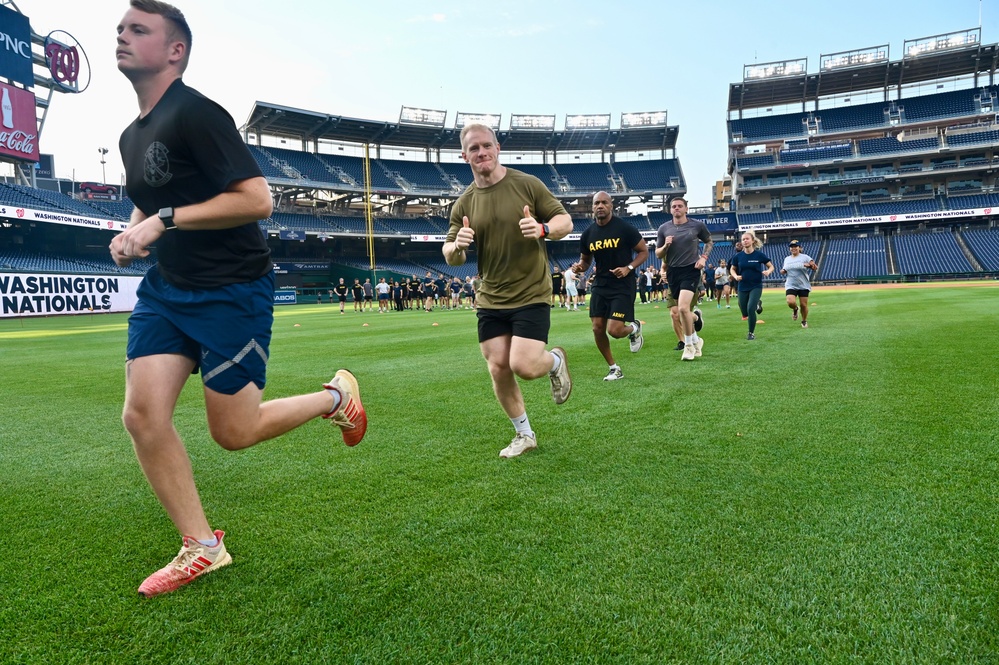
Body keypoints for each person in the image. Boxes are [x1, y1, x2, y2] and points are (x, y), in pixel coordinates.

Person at [109, 0, 366, 598]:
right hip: (166, 292)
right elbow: (151, 200)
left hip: (231, 290)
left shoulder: (198, 113)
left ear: (175, 50)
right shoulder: (130, 135)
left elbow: (256, 199)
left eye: (138, 29)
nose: (122, 36)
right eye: (120, 28)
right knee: (142, 415)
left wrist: (162, 221)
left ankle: (336, 397)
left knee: (235, 432)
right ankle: (203, 547)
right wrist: (134, 230)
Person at [444, 123, 573, 458]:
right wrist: (457, 246)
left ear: (498, 148)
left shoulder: (526, 184)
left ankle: (556, 360)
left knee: (525, 366)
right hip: (490, 296)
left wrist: (543, 228)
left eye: (487, 146)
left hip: (530, 291)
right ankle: (524, 434)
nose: (481, 152)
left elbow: (565, 222)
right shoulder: (463, 204)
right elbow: (451, 256)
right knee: (498, 366)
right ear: (464, 155)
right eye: (474, 148)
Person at [572, 191, 648, 381]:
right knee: (597, 328)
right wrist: (580, 267)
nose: (600, 206)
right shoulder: (588, 234)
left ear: (611, 206)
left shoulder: (625, 228)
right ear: (592, 207)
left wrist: (628, 267)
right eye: (597, 203)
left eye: (604, 202)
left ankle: (634, 329)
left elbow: (644, 251)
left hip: (623, 283)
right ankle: (614, 368)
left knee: (614, 331)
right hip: (600, 283)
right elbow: (586, 261)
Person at [654, 197, 712, 361]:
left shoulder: (696, 225)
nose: (676, 208)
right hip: (673, 271)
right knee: (678, 313)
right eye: (673, 206)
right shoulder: (664, 228)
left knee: (683, 308)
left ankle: (688, 346)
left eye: (680, 206)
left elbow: (708, 241)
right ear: (670, 210)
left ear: (686, 209)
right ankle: (696, 340)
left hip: (691, 270)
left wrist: (704, 258)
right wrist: (665, 246)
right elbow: (658, 253)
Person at [730, 230, 775, 340]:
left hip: (756, 285)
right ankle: (757, 304)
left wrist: (768, 272)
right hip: (742, 286)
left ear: (752, 241)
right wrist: (735, 276)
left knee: (750, 309)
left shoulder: (759, 255)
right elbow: (732, 269)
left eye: (747, 239)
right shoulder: (738, 256)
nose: (745, 241)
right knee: (744, 311)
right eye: (743, 239)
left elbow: (771, 266)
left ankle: (751, 333)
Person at [780, 239, 818, 328]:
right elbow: (785, 269)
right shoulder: (787, 259)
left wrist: (808, 265)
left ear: (799, 248)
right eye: (791, 247)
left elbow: (815, 267)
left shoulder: (805, 257)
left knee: (804, 305)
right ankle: (795, 309)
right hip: (791, 284)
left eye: (795, 246)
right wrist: (782, 271)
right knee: (790, 302)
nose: (793, 248)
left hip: (803, 284)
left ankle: (804, 321)